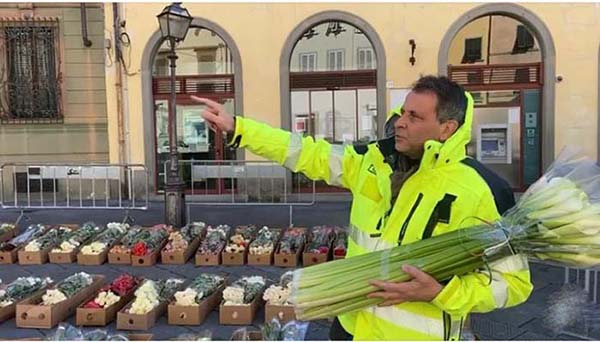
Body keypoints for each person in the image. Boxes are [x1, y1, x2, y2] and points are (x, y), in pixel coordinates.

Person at [191, 75, 532, 341]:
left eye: (415, 116)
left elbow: (513, 283)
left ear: (447, 128)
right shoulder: (373, 162)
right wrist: (240, 129)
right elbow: (309, 153)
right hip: (351, 324)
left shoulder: (478, 190)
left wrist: (444, 292)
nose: (400, 121)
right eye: (402, 112)